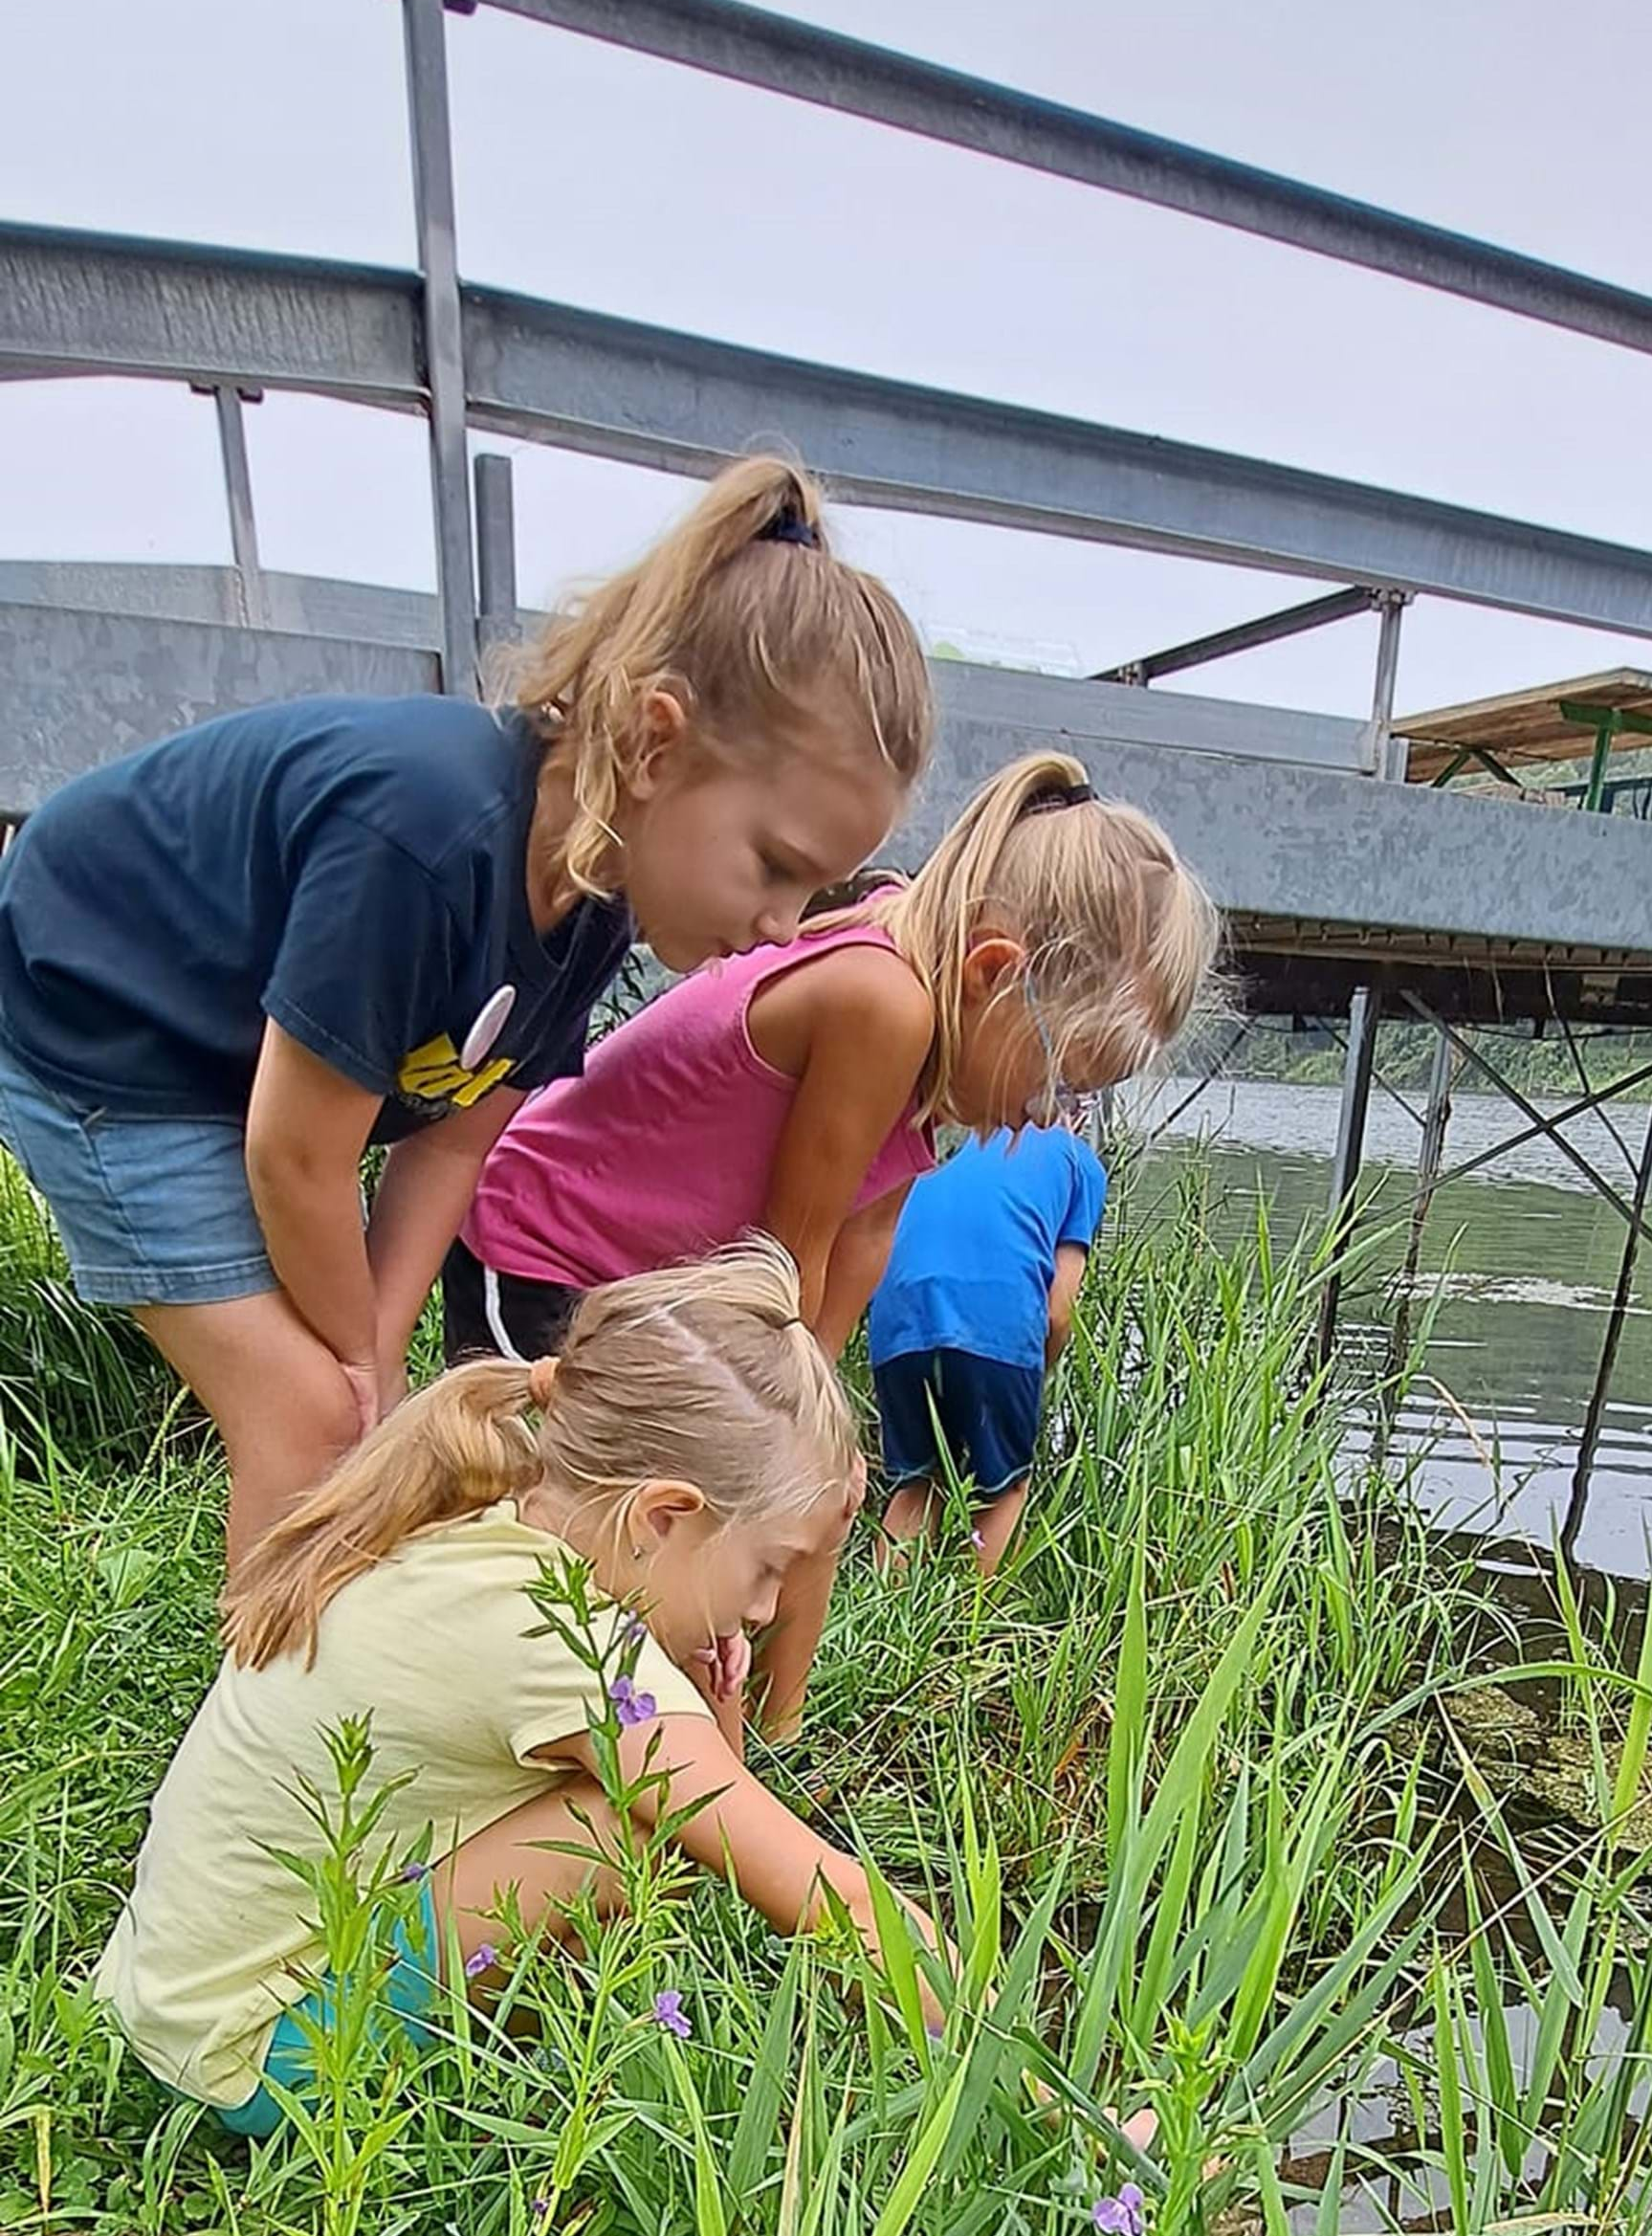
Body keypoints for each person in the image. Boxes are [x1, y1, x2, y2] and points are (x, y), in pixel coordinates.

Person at [0, 458, 931, 1565]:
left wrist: (381, 1358)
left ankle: (335, 1668)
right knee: (306, 1415)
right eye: (776, 866)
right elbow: (297, 1156)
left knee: (356, 1408)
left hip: (232, 1069)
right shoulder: (428, 839)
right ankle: (279, 1728)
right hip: (93, 1018)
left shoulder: (590, 907)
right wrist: (360, 1375)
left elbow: (450, 1142)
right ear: (653, 741)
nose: (784, 927)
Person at [92, 1248, 947, 2139]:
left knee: (646, 1808)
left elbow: (716, 1794)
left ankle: (492, 2046)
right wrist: (1036, 2091)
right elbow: (811, 1887)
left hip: (171, 2004)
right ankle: (498, 2085)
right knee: (635, 1831)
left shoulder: (479, 1516)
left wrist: (705, 1695)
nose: (766, 1608)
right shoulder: (571, 1643)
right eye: (767, 1566)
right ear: (662, 1515)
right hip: (262, 2061)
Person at [443, 752, 1213, 1723]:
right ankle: (501, 1727)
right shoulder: (882, 1002)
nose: (1048, 1112)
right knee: (554, 1532)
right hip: (550, 1247)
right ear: (992, 973)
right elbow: (782, 1269)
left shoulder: (932, 1083)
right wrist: (789, 1438)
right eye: (1064, 1074)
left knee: (819, 1473)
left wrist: (825, 1458)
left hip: (660, 1286)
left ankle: (772, 1732)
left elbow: (829, 1317)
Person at [870, 1115, 1108, 1574]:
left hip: (897, 1320)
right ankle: (973, 1626)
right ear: (1077, 1116)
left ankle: (885, 1617)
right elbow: (1060, 1308)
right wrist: (1037, 1372)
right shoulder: (1080, 1163)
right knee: (1007, 1487)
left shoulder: (959, 1146)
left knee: (918, 1481)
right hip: (994, 1322)